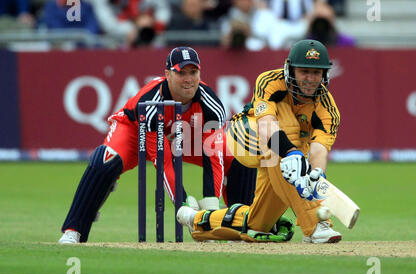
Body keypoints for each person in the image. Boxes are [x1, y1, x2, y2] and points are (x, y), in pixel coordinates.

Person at [58, 46, 256, 244]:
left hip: (185, 137)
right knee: (104, 160)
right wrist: (184, 205)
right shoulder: (151, 104)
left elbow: (212, 157)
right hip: (134, 132)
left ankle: (239, 228)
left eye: (193, 72)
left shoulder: (212, 105)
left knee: (241, 156)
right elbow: (163, 163)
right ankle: (74, 231)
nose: (188, 79)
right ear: (167, 75)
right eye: (181, 73)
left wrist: (211, 212)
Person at [177, 39, 342, 243]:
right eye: (304, 71)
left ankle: (195, 218)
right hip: (247, 136)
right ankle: (315, 224)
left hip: (285, 161)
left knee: (257, 224)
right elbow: (267, 126)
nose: (310, 78)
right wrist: (291, 153)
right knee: (285, 134)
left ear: (324, 75)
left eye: (316, 73)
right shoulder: (271, 81)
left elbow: (319, 150)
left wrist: (315, 175)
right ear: (291, 70)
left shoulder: (327, 109)